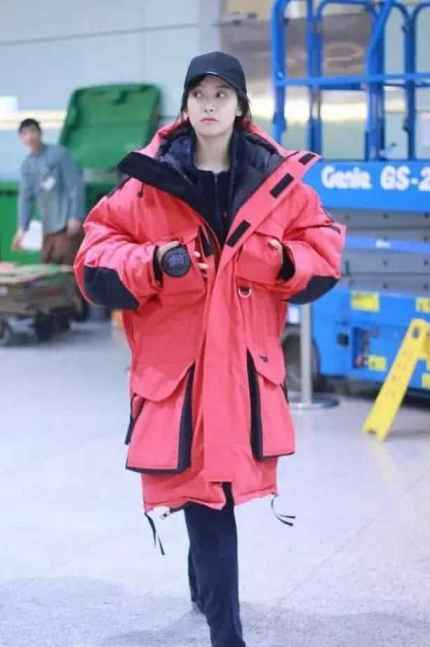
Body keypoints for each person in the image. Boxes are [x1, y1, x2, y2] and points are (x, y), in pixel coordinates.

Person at [74, 51, 345, 647]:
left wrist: (279, 260)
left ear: (241, 105)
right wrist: (152, 261)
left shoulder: (276, 182)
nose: (209, 104)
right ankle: (228, 632)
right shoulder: (149, 183)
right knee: (207, 491)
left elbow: (324, 249)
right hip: (181, 372)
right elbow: (94, 255)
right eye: (199, 93)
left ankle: (205, 593)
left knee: (209, 490)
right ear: (185, 104)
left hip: (243, 370)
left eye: (222, 94)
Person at [12, 118, 85, 266]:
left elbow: (75, 186)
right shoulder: (27, 165)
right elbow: (25, 198)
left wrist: (75, 216)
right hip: (48, 227)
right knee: (47, 267)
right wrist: (22, 228)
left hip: (67, 225)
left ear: (40, 133)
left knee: (68, 269)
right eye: (25, 134)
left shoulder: (60, 154)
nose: (30, 137)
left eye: (33, 131)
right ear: (21, 138)